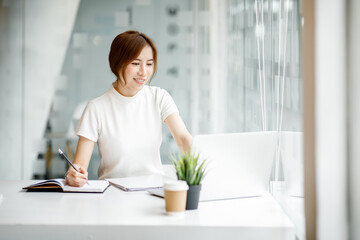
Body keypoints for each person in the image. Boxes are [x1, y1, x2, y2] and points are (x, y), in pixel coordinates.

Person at [66, 30, 192, 187]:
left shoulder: (159, 97)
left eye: (149, 64)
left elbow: (183, 139)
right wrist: (74, 175)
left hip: (153, 192)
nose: (143, 72)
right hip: (113, 195)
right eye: (135, 63)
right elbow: (79, 166)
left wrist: (205, 164)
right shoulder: (96, 108)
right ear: (118, 63)